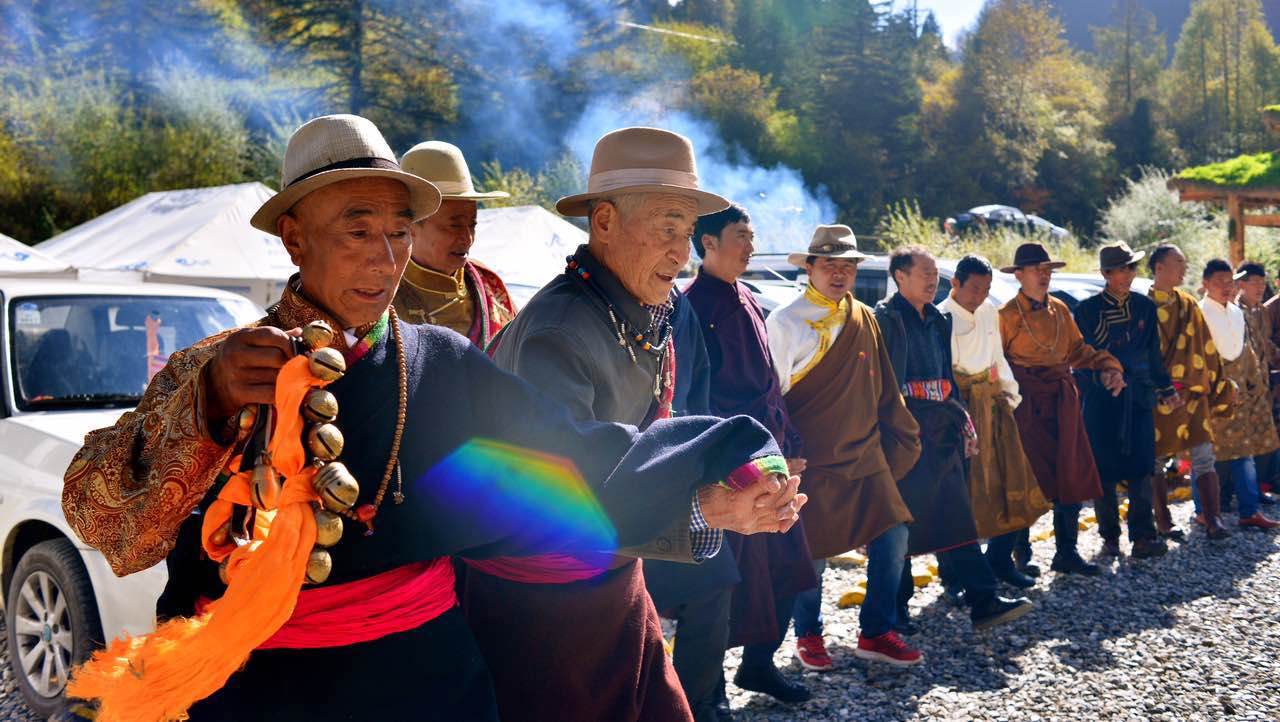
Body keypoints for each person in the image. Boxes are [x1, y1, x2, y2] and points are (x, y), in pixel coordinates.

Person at [59, 115, 803, 722]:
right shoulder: (214, 366)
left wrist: (707, 490)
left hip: (423, 680)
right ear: (294, 237)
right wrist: (211, 406)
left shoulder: (439, 365)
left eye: (400, 233)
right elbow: (100, 520)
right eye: (358, 231)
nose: (386, 261)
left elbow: (570, 462)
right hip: (258, 687)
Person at [476, 127, 808, 722]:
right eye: (667, 227)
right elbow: (564, 499)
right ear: (603, 221)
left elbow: (659, 433)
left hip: (612, 581)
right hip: (543, 607)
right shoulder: (559, 331)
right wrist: (707, 509)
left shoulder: (649, 310)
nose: (682, 253)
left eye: (686, 232)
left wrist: (736, 478)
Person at [767, 226, 925, 667]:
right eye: (830, 265)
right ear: (810, 268)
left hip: (866, 453)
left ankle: (875, 630)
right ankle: (808, 634)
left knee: (894, 535)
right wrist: (781, 456)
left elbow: (883, 388)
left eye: (848, 266)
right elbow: (772, 397)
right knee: (812, 554)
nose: (840, 274)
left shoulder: (864, 317)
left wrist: (901, 435)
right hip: (811, 459)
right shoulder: (784, 320)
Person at [682, 203, 819, 704]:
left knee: (788, 569)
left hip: (772, 452)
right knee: (727, 586)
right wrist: (729, 464)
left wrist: (790, 447)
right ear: (708, 243)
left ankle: (759, 666)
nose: (750, 245)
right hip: (731, 465)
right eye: (740, 236)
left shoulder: (749, 298)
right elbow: (696, 398)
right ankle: (709, 690)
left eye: (752, 235)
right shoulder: (691, 306)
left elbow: (770, 388)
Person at [876, 247, 1033, 631]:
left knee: (957, 517)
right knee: (902, 525)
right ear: (900, 276)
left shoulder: (936, 319)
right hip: (905, 434)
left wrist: (961, 418)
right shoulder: (885, 319)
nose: (932, 281)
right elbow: (883, 384)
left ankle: (982, 600)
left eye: (934, 274)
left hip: (942, 430)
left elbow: (946, 378)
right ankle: (896, 610)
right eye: (924, 274)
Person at [644, 286, 743, 722]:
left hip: (678, 471)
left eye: (683, 233)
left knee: (714, 581)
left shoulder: (677, 305)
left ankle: (697, 701)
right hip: (609, 479)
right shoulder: (582, 298)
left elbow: (697, 388)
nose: (676, 250)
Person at [998, 242, 1126, 576]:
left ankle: (1066, 553)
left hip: (1062, 401)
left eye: (1048, 270)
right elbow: (996, 364)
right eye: (1036, 270)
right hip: (1025, 405)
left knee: (1070, 471)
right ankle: (1020, 557)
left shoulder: (1059, 310)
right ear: (1019, 275)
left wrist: (1108, 366)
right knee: (1027, 478)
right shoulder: (1007, 315)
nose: (1044, 276)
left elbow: (1078, 350)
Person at [937, 255, 1050, 586]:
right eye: (974, 288)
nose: (980, 296)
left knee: (1012, 480)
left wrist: (1010, 394)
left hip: (994, 402)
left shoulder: (989, 311)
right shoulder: (941, 317)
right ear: (955, 283)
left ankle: (1001, 560)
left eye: (986, 289)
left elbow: (997, 356)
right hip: (959, 407)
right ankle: (952, 577)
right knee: (960, 494)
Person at [1072, 242, 1181, 559]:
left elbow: (1153, 354)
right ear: (1106, 274)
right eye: (1121, 269)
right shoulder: (1087, 311)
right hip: (1102, 400)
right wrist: (1104, 376)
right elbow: (1079, 359)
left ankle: (1143, 535)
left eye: (1132, 267)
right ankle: (1109, 536)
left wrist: (1165, 388)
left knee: (1142, 467)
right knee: (1103, 471)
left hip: (1138, 396)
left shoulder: (1145, 307)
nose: (1129, 274)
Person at [1145, 244, 1235, 540]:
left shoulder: (1187, 304)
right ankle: (1163, 520)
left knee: (1204, 455)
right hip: (1159, 397)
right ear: (1159, 268)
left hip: (1194, 395)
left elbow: (1206, 349)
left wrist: (1220, 385)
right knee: (1157, 459)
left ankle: (1213, 519)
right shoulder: (1141, 305)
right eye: (1178, 263)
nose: (1184, 269)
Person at [393, 140, 515, 346]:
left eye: (473, 225)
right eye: (454, 225)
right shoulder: (381, 293)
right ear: (411, 226)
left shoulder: (489, 286)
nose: (467, 238)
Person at [1198, 258, 1280, 531]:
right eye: (1218, 281)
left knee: (1244, 452)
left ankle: (1249, 510)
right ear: (1205, 284)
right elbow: (1196, 358)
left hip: (1242, 393)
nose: (1225, 286)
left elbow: (1246, 353)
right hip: (1210, 391)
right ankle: (1203, 510)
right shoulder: (1198, 313)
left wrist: (1255, 386)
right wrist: (1216, 387)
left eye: (1228, 281)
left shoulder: (1236, 313)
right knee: (1206, 455)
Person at [1233, 262, 1280, 506]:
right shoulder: (1233, 311)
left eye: (1263, 283)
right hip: (1242, 387)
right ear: (1241, 284)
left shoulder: (1261, 311)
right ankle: (1234, 495)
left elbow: (1265, 345)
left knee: (1263, 439)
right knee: (1242, 445)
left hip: (1263, 385)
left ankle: (1258, 488)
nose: (1260, 288)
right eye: (1255, 283)